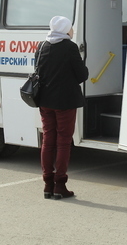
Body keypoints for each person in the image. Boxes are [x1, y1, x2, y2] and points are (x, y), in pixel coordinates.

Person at [35, 16, 89, 200]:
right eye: (71, 29)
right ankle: (60, 185)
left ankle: (47, 185)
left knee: (48, 140)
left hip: (45, 101)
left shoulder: (42, 46)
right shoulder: (70, 47)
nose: (72, 31)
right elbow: (82, 75)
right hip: (65, 102)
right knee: (64, 142)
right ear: (66, 30)